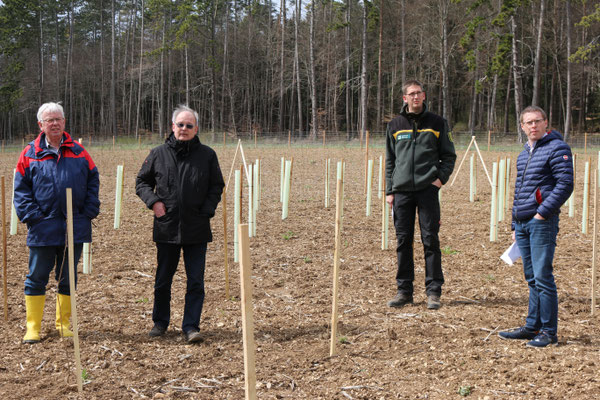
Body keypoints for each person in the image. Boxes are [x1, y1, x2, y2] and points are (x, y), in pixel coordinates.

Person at [136, 105, 224, 343]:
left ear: (196, 129)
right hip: (167, 227)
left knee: (196, 280)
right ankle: (160, 322)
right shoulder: (157, 154)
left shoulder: (207, 155)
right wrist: (154, 202)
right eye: (180, 125)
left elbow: (217, 185)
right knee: (163, 279)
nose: (184, 129)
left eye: (189, 125)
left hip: (197, 228)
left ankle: (191, 326)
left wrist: (207, 209)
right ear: (172, 127)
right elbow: (141, 182)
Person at [14, 102, 100, 344]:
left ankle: (63, 324)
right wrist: (33, 217)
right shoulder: (29, 153)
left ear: (64, 122)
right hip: (43, 227)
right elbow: (20, 191)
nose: (54, 123)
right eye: (49, 120)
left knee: (68, 277)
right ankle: (33, 327)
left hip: (75, 226)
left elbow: (94, 179)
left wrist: (89, 210)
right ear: (40, 124)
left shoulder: (79, 151)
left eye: (58, 119)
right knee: (37, 276)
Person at [498, 106, 573, 348]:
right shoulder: (524, 154)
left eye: (537, 121)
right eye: (528, 122)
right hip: (522, 223)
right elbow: (520, 191)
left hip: (541, 222)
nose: (533, 126)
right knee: (531, 277)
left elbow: (565, 184)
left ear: (545, 123)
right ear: (522, 126)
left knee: (542, 276)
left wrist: (542, 213)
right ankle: (533, 326)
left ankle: (549, 332)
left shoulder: (557, 148)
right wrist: (514, 222)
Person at [385, 80, 456, 310]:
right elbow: (390, 160)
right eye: (411, 94)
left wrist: (439, 180)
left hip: (427, 191)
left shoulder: (437, 123)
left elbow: (449, 156)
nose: (416, 97)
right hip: (402, 192)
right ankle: (404, 291)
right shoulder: (395, 125)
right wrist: (390, 190)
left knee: (430, 240)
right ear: (404, 98)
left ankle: (433, 291)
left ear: (424, 96)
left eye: (419, 93)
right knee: (403, 241)